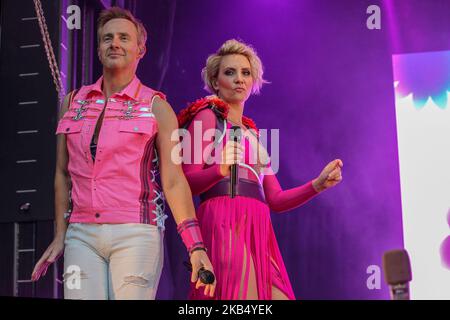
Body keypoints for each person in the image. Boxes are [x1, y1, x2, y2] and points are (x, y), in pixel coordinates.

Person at [31, 6, 215, 300]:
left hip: (136, 233)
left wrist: (196, 247)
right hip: (81, 235)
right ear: (99, 48)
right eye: (107, 38)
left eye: (123, 38)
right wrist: (59, 233)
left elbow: (173, 181)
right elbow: (62, 173)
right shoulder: (72, 102)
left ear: (140, 49)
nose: (114, 43)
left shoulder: (156, 106)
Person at [177, 39, 343, 300]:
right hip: (223, 220)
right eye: (229, 72)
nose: (239, 79)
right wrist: (219, 170)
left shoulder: (253, 133)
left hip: (258, 226)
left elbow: (275, 199)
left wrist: (317, 185)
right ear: (215, 80)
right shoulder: (206, 116)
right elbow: (184, 184)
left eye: (245, 73)